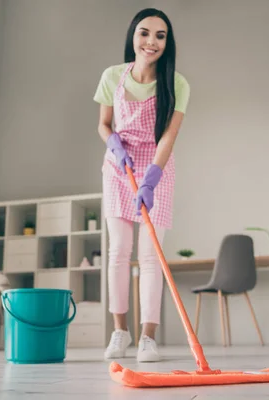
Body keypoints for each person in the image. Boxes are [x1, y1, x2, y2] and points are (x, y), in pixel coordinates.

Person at [93, 8, 190, 362]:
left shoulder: (177, 83)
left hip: (155, 169)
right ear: (133, 36)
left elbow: (168, 137)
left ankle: (148, 336)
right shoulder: (112, 76)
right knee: (119, 250)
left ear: (168, 42)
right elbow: (104, 124)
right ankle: (120, 332)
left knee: (151, 256)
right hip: (119, 168)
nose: (151, 41)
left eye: (160, 36)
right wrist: (113, 146)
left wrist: (152, 178)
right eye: (145, 33)